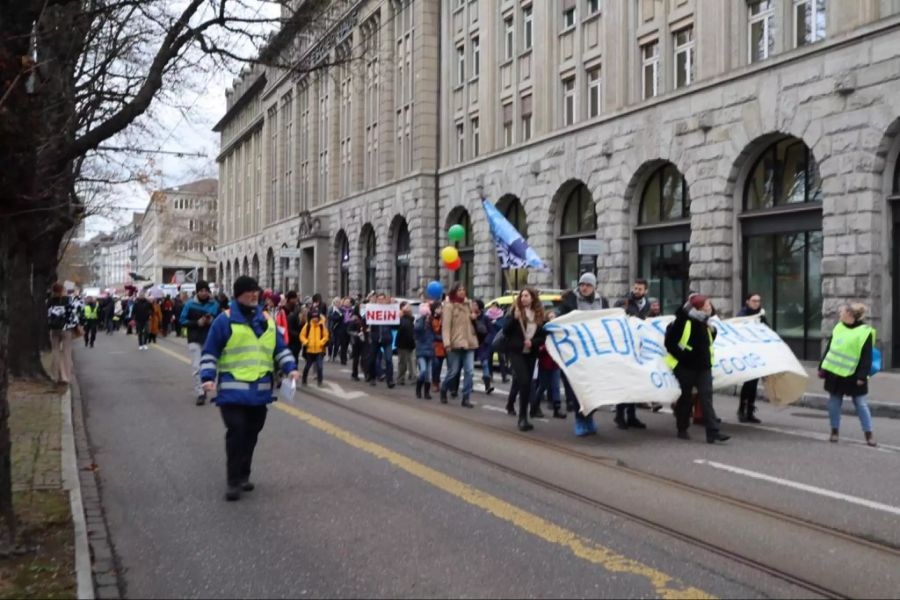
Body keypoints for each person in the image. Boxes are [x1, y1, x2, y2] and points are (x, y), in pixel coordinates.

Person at [201, 276, 299, 501]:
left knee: (252, 433)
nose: (254, 295)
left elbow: (279, 348)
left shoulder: (266, 320)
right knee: (237, 431)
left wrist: (290, 368)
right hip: (232, 392)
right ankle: (233, 481)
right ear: (238, 295)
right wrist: (207, 377)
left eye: (256, 291)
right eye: (249, 291)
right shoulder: (224, 321)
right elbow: (210, 352)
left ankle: (244, 474)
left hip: (260, 392)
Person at [665, 294, 729, 444]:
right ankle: (682, 428)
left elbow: (707, 342)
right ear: (698, 308)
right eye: (707, 305)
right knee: (686, 398)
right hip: (686, 367)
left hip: (704, 367)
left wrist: (712, 331)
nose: (710, 307)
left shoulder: (706, 322)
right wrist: (685, 357)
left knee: (706, 398)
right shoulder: (683, 321)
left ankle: (713, 432)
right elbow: (670, 343)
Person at [819, 303, 877, 447]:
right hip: (835, 373)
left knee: (861, 404)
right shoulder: (838, 327)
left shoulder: (865, 332)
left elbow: (866, 356)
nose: (840, 313)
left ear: (850, 314)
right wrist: (822, 367)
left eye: (842, 311)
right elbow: (830, 348)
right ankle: (834, 431)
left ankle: (869, 434)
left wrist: (862, 376)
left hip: (855, 374)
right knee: (834, 403)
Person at [558, 272, 609, 436]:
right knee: (577, 388)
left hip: (595, 351)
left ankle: (589, 418)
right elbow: (561, 318)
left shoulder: (603, 301)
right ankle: (581, 420)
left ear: (594, 287)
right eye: (582, 284)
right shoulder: (570, 301)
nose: (584, 288)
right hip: (575, 350)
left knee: (593, 387)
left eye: (588, 285)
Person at [503, 288, 547, 431]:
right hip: (516, 352)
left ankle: (524, 415)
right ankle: (522, 418)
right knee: (523, 381)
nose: (523, 298)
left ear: (533, 298)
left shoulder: (539, 315)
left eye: (526, 296)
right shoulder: (515, 311)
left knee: (527, 384)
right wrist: (514, 320)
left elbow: (542, 336)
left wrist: (532, 343)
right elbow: (505, 331)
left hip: (530, 353)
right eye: (522, 296)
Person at [614, 278, 650, 430]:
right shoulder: (624, 303)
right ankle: (619, 415)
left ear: (645, 291)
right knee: (625, 382)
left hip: (640, 348)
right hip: (626, 348)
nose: (636, 291)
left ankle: (632, 415)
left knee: (635, 382)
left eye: (640, 289)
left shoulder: (647, 305)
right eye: (635, 288)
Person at [180, 281, 221, 405]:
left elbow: (220, 320)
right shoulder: (189, 304)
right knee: (197, 366)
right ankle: (201, 393)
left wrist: (211, 320)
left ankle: (209, 386)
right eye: (201, 290)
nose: (203, 293)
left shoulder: (214, 304)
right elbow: (182, 320)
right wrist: (196, 323)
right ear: (197, 291)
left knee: (209, 365)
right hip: (194, 338)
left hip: (209, 339)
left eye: (205, 290)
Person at [440, 283, 478, 408]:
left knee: (470, 371)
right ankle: (444, 389)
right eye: (459, 289)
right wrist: (447, 343)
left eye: (463, 289)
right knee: (453, 371)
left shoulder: (468, 304)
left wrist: (474, 318)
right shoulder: (449, 306)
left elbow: (475, 320)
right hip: (454, 342)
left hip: (469, 341)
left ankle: (466, 398)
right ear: (454, 291)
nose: (462, 291)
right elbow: (446, 327)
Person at [736, 293, 766, 423]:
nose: (756, 303)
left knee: (754, 383)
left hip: (756, 353)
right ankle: (741, 410)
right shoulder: (742, 315)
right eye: (754, 301)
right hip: (746, 353)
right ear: (747, 301)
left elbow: (767, 330)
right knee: (748, 383)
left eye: (758, 301)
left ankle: (750, 411)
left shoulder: (761, 315)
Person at [534, 311, 565, 419]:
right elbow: (540, 346)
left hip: (555, 363)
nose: (553, 318)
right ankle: (535, 406)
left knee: (556, 386)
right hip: (545, 362)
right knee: (543, 386)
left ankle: (557, 409)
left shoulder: (559, 331)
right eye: (550, 316)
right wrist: (547, 347)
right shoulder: (544, 330)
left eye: (554, 316)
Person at [47, 282, 78, 385]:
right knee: (66, 352)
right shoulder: (68, 300)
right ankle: (66, 377)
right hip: (66, 328)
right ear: (62, 290)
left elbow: (48, 314)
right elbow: (73, 314)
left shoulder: (50, 301)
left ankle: (55, 375)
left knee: (55, 351)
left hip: (54, 328)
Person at [366, 293, 396, 388]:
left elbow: (395, 326)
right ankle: (372, 378)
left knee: (388, 359)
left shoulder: (389, 310)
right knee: (372, 359)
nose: (381, 301)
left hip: (387, 339)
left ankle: (390, 380)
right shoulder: (372, 309)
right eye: (379, 299)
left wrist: (396, 316)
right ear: (376, 300)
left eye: (382, 299)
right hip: (375, 338)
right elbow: (365, 320)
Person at [300, 304, 329, 387]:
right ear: (311, 318)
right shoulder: (308, 325)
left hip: (319, 350)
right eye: (314, 317)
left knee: (320, 367)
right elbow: (302, 335)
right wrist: (306, 342)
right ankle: (304, 380)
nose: (315, 319)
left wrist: (321, 342)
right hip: (310, 350)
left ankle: (320, 382)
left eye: (316, 317)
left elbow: (326, 336)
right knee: (307, 367)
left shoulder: (321, 326)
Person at [413, 303, 435, 400]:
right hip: (421, 351)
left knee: (428, 375)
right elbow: (417, 329)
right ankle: (418, 388)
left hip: (430, 351)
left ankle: (426, 392)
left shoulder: (431, 323)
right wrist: (422, 318)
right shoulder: (418, 322)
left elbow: (435, 334)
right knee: (423, 370)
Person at [473, 300, 495, 394]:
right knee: (468, 366)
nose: (473, 306)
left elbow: (491, 332)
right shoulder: (469, 317)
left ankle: (487, 385)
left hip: (482, 345)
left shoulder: (485, 318)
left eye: (475, 304)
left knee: (485, 364)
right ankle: (468, 385)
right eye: (472, 304)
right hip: (472, 344)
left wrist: (487, 341)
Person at [395, 302, 417, 385]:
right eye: (408, 307)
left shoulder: (411, 319)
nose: (410, 309)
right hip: (402, 344)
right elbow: (396, 326)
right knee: (402, 363)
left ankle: (414, 377)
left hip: (411, 343)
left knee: (412, 361)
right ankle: (400, 379)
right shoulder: (400, 319)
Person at [431, 302, 446, 393]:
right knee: (436, 364)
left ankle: (437, 381)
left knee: (440, 365)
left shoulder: (443, 318)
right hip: (435, 345)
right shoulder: (431, 319)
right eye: (438, 308)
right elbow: (434, 331)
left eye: (441, 308)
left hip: (443, 345)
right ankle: (434, 382)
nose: (440, 309)